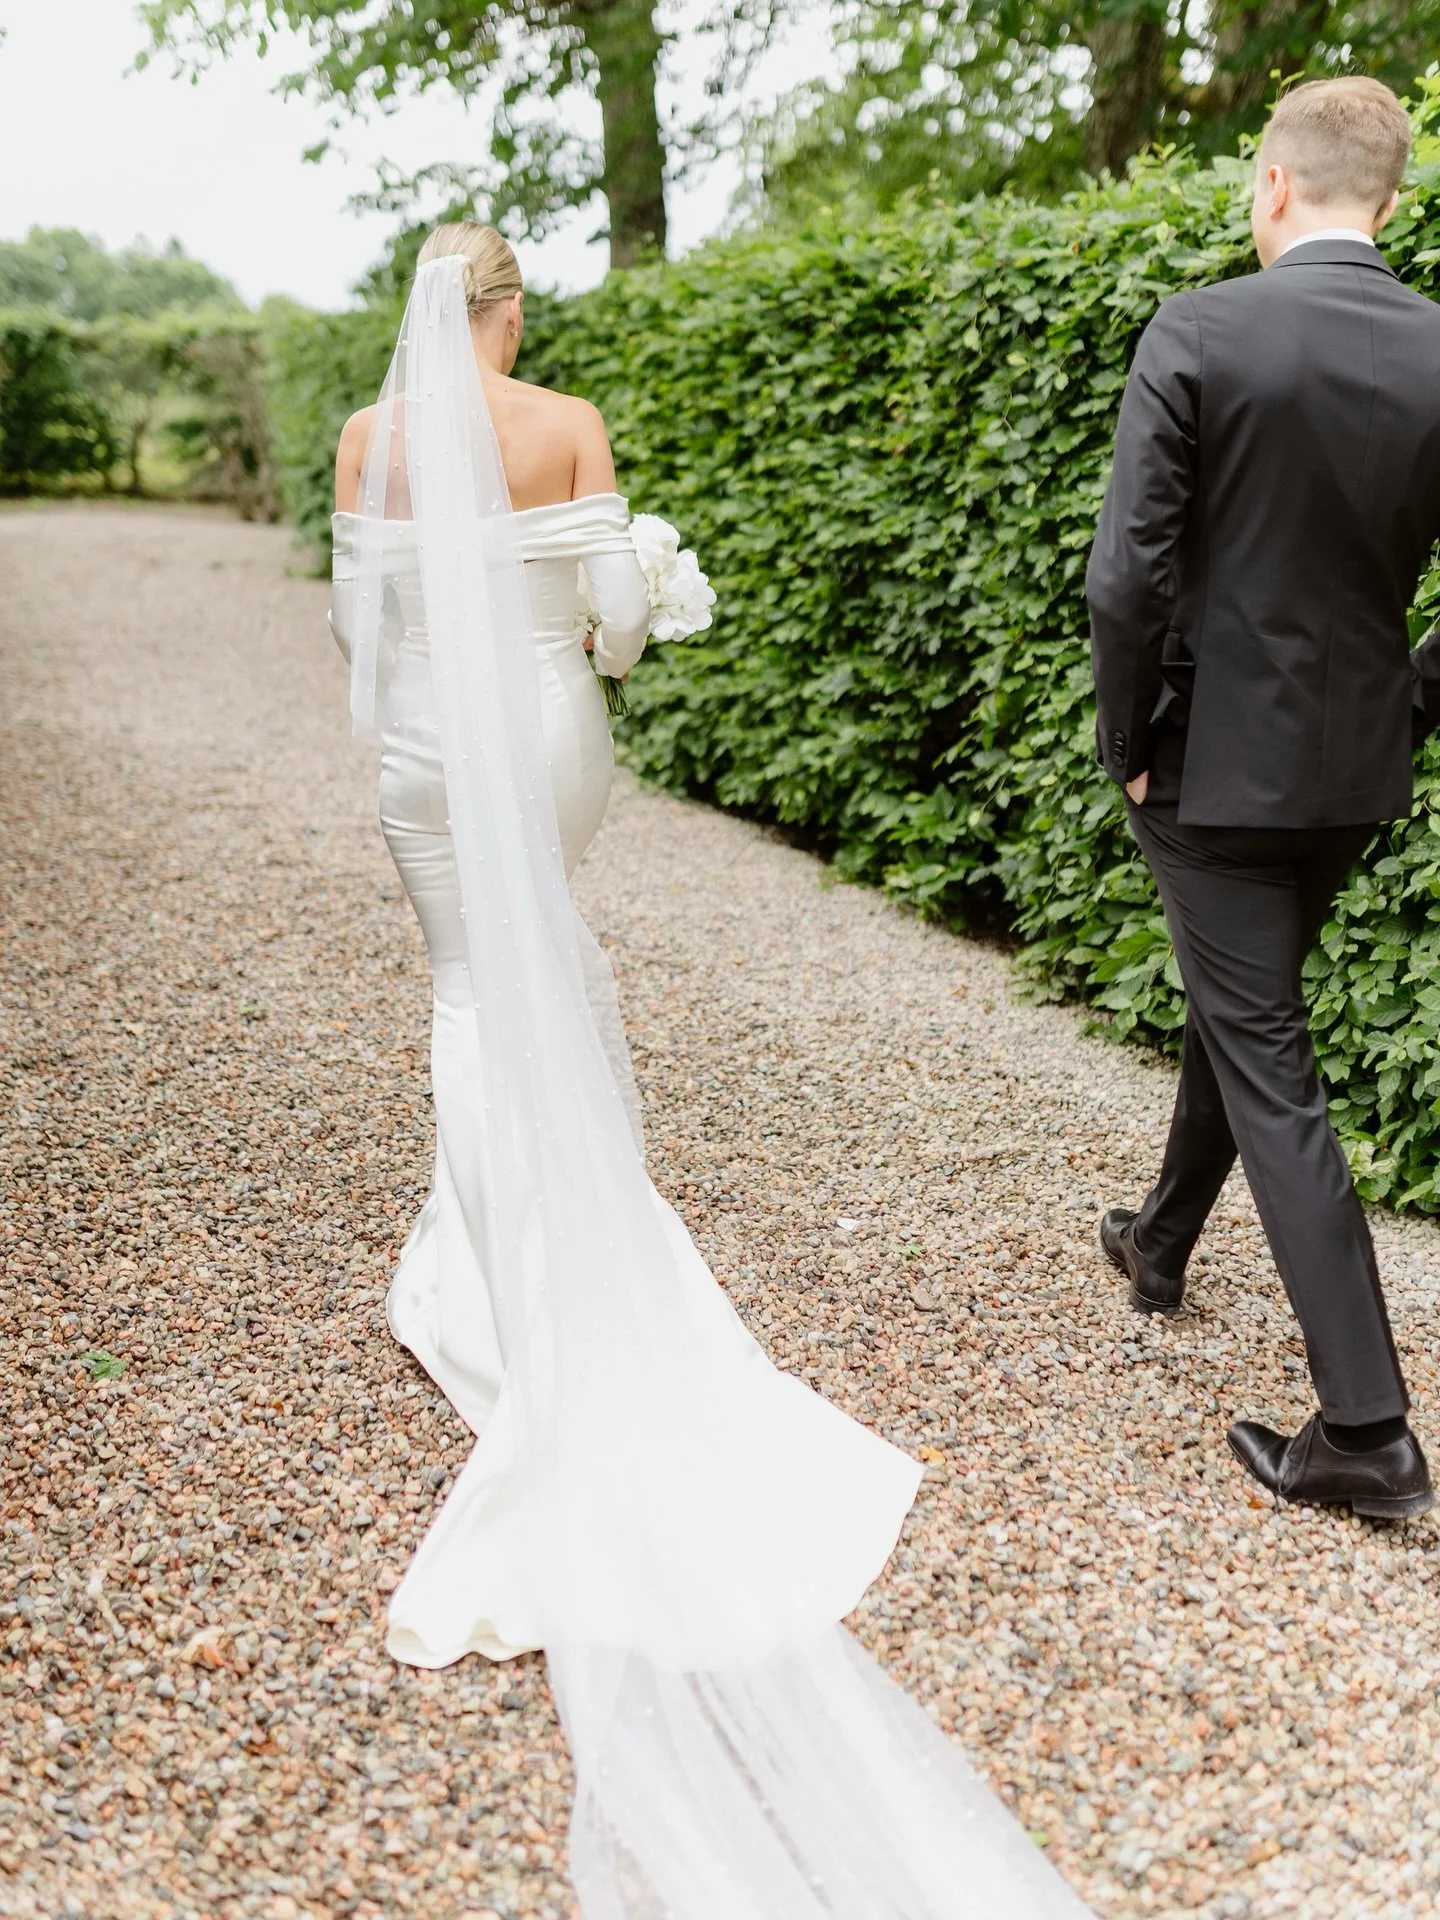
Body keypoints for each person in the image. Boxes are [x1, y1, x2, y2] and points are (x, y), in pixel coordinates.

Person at [328, 223, 1094, 1917]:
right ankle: (532, 1259)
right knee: (524, 983)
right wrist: (636, 601)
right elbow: (608, 631)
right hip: (538, 731)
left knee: (462, 989)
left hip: (420, 752)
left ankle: (476, 1270)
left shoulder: (365, 443)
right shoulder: (572, 419)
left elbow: (361, 628)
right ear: (508, 310)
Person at [1088, 76, 1440, 1520]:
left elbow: (1125, 577)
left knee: (1266, 1049)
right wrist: (1415, 696)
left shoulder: (1203, 328)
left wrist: (1131, 738)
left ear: (1277, 189)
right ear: (1393, 203)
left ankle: (1366, 1429)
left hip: (1212, 766)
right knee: (1248, 998)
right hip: (1356, 773)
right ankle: (1161, 1241)